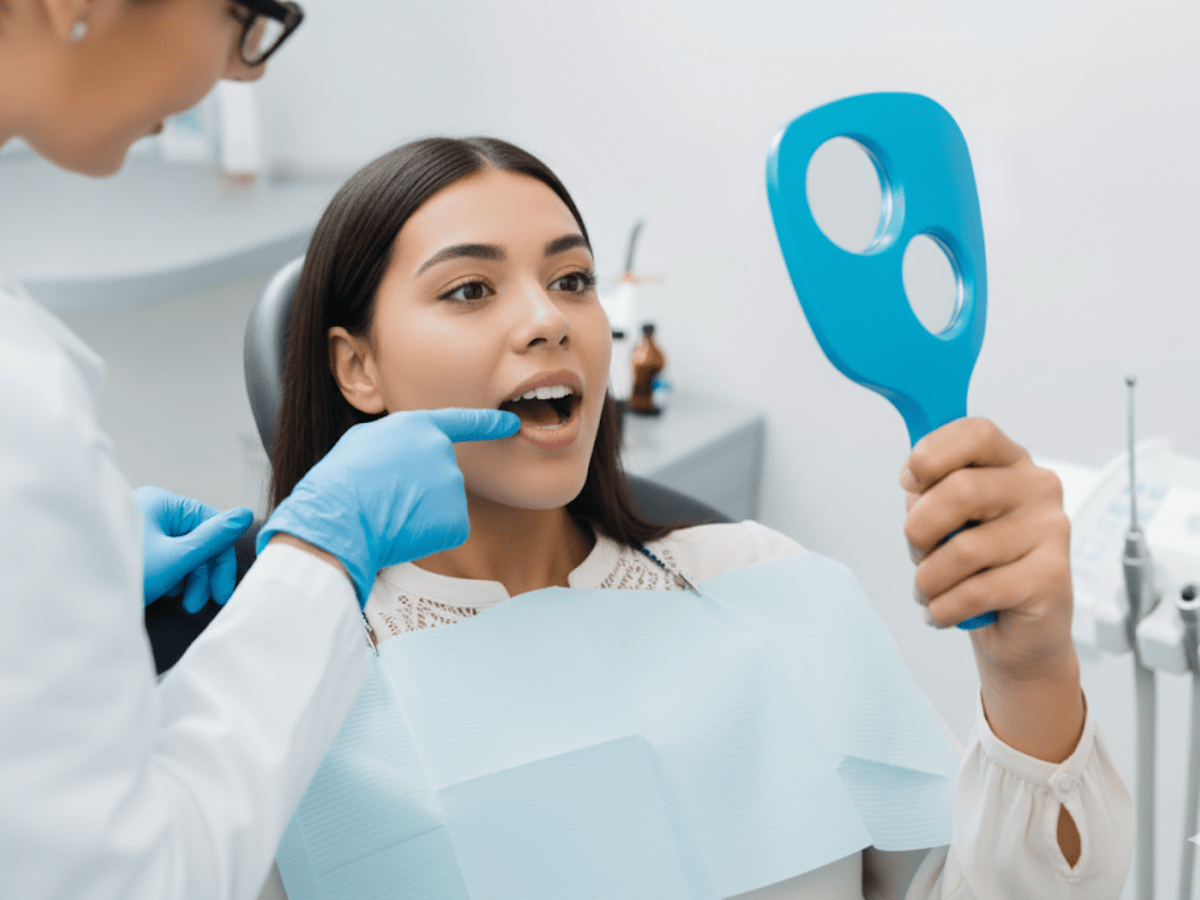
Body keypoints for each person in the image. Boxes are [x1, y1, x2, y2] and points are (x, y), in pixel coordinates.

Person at [256, 136, 1133, 900]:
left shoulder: (760, 583)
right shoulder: (293, 686)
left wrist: (1031, 674)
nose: (546, 320)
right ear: (356, 367)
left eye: (572, 280)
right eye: (470, 290)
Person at [0, 3, 518, 898]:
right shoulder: (23, 410)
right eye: (247, 16)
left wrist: (55, 582)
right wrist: (322, 553)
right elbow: (126, 880)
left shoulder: (750, 570)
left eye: (574, 279)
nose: (248, 71)